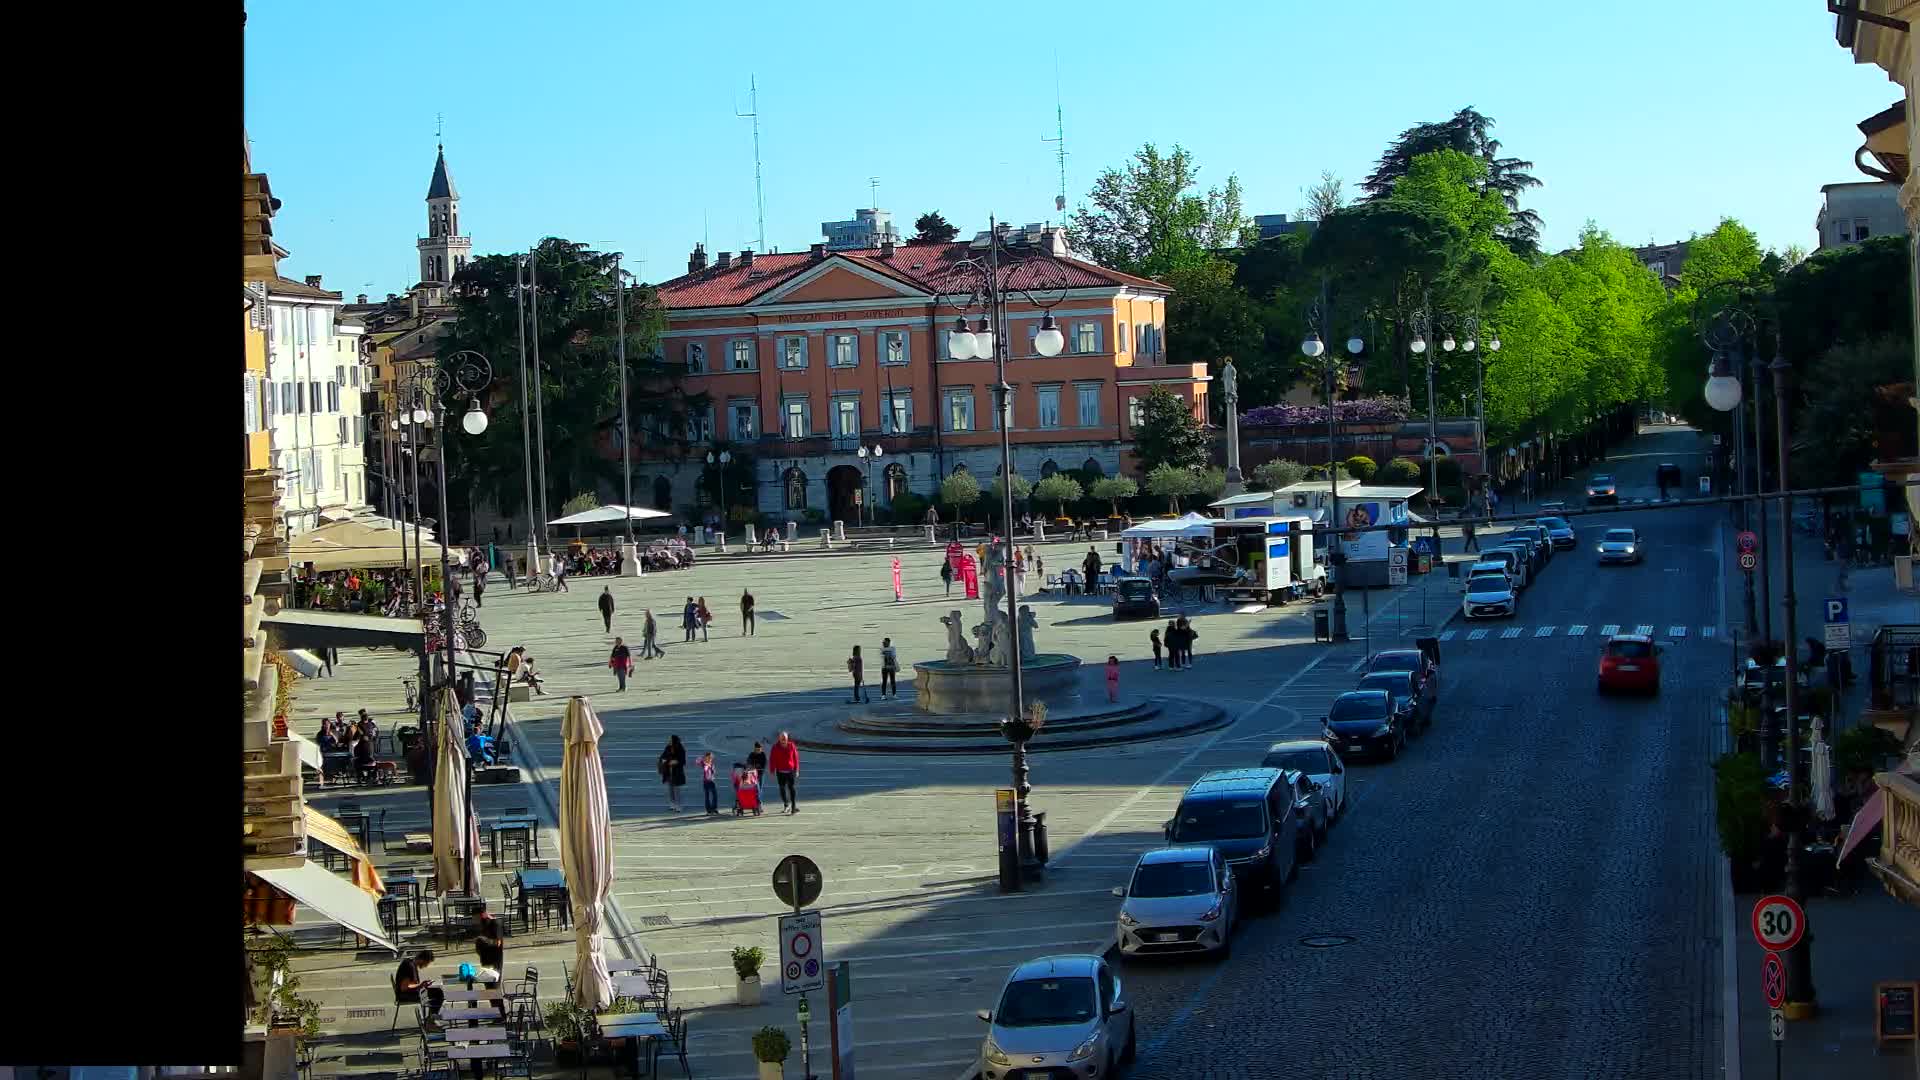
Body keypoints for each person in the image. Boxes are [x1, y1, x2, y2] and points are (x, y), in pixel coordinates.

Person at [394, 950, 444, 1026]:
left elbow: (412, 984)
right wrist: (421, 985)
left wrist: (423, 985)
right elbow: (404, 988)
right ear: (422, 960)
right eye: (427, 963)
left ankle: (431, 1019)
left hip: (410, 992)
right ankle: (431, 1020)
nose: (426, 966)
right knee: (437, 993)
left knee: (437, 990)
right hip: (405, 995)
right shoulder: (409, 967)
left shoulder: (411, 963)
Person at [769, 731, 800, 814]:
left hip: (790, 771)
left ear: (787, 739)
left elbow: (796, 758)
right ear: (779, 739)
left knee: (791, 788)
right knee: (782, 788)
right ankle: (786, 805)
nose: (783, 740)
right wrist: (772, 770)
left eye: (785, 739)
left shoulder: (791, 745)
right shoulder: (775, 747)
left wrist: (797, 770)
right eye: (782, 739)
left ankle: (793, 806)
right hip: (780, 772)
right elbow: (772, 759)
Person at [658, 735, 687, 812]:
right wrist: (665, 761)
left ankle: (679, 806)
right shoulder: (667, 748)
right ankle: (672, 804)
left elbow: (683, 761)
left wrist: (675, 762)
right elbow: (662, 757)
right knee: (670, 789)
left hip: (677, 772)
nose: (669, 741)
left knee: (677, 790)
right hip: (668, 772)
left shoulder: (680, 749)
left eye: (670, 740)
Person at [700, 751, 719, 816]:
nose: (710, 758)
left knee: (715, 795)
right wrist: (706, 764)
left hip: (712, 781)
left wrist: (711, 767)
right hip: (706, 781)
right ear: (706, 757)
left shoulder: (712, 764)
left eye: (711, 757)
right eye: (709, 757)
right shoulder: (704, 763)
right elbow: (704, 768)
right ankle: (708, 810)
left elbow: (714, 772)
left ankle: (714, 808)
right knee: (707, 796)